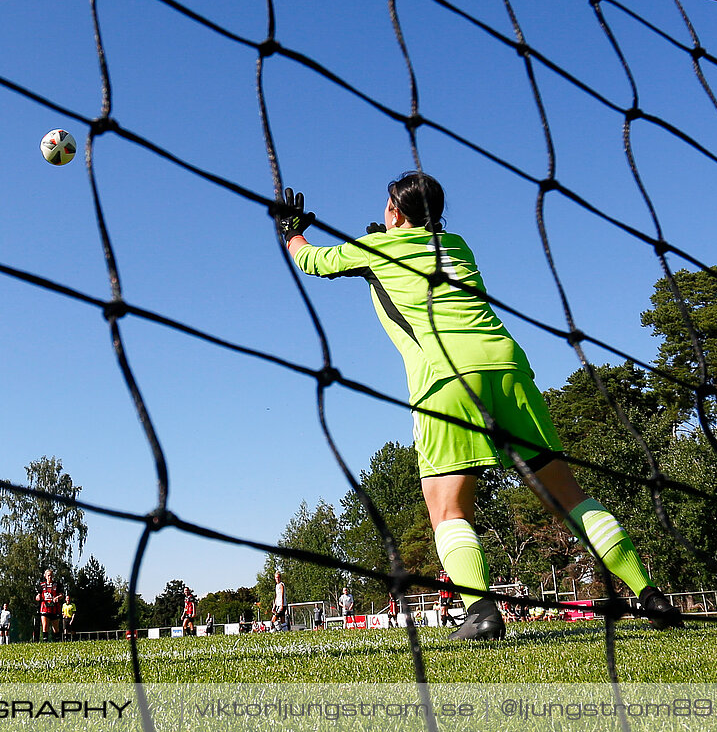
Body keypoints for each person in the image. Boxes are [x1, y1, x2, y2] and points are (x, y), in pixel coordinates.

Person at [282, 173, 682, 641]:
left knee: (448, 510)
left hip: (448, 378)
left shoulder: (375, 252)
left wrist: (291, 230)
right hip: (508, 366)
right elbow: (401, 279)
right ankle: (649, 594)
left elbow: (310, 260)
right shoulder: (457, 244)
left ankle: (482, 613)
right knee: (568, 495)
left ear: (394, 212)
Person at [36, 570, 61, 641]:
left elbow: (61, 595)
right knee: (45, 626)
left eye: (51, 575)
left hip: (54, 608)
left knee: (55, 628)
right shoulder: (42, 585)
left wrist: (57, 597)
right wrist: (38, 597)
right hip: (45, 608)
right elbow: (38, 594)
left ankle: (57, 641)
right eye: (48, 575)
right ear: (45, 576)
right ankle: (45, 642)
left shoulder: (56, 585)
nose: (49, 577)